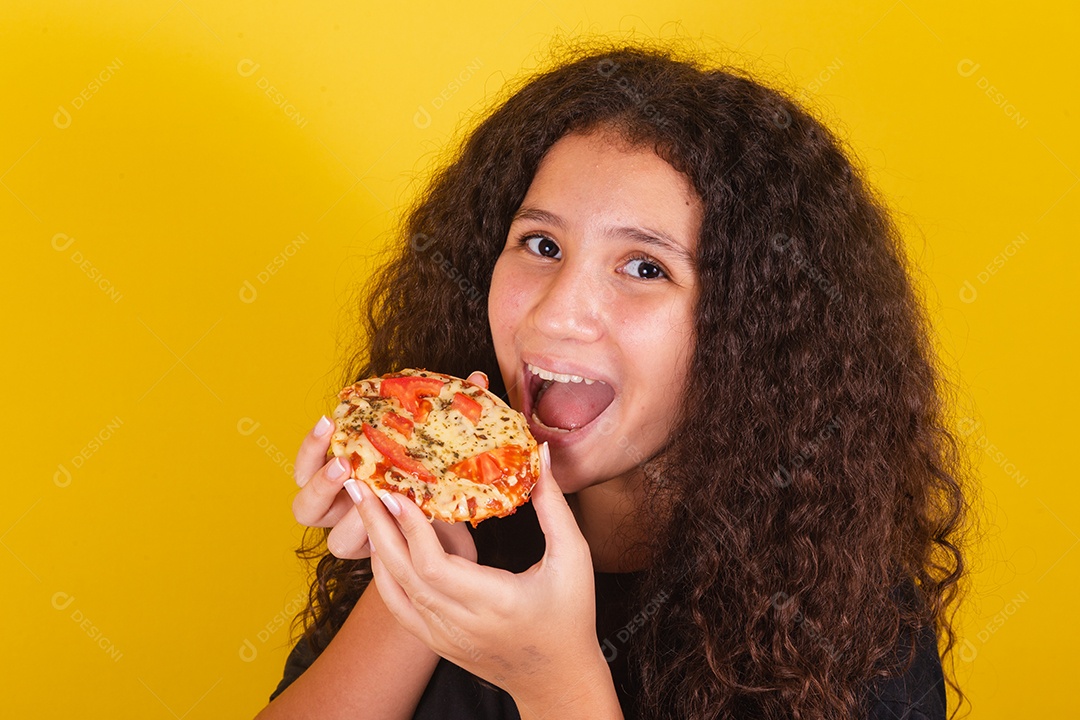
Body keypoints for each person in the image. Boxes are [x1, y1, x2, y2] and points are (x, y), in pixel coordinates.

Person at [255, 43, 970, 720]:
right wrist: (421, 580)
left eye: (645, 267)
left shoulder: (853, 631)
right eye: (542, 245)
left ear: (752, 331)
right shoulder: (464, 532)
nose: (558, 314)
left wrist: (556, 684)